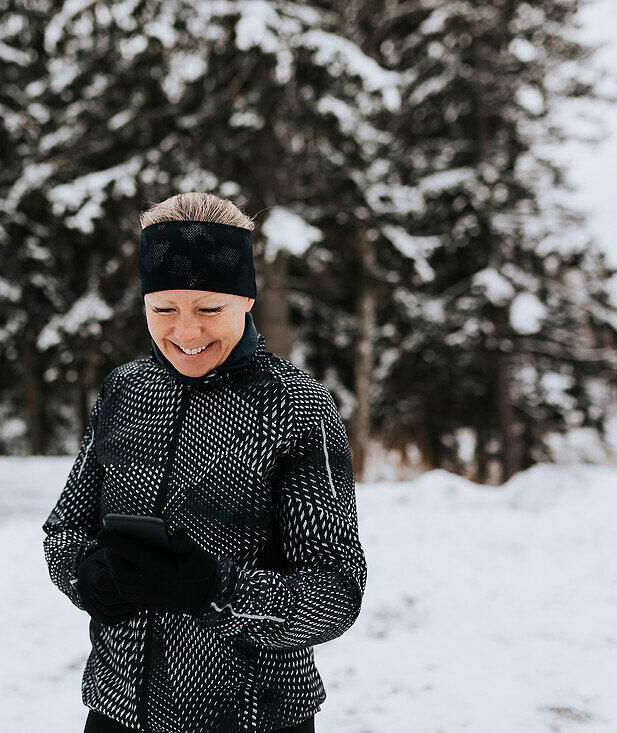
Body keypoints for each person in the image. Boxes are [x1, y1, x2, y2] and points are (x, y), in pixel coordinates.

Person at [42, 192, 367, 733]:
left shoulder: (295, 406)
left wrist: (216, 589)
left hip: (251, 718)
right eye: (163, 309)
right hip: (117, 710)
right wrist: (84, 574)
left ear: (246, 300)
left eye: (209, 309)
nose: (185, 333)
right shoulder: (124, 391)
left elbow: (336, 592)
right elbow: (64, 529)